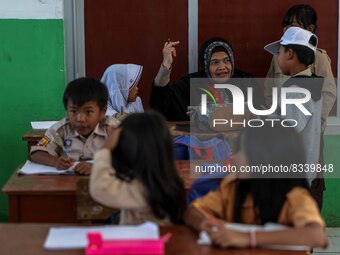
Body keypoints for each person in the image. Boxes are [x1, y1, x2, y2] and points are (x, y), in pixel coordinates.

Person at [184, 123, 327, 249]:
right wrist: (204, 223)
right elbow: (192, 211)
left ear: (266, 159)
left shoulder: (296, 197)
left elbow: (316, 236)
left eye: (243, 151)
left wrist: (247, 238)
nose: (235, 157)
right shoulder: (233, 187)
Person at [264, 4, 336, 211]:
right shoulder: (307, 83)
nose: (277, 57)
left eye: (280, 51)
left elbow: (284, 133)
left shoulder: (298, 90)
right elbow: (271, 90)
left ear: (290, 54)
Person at [90, 111, 186, 225]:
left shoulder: (143, 189)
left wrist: (106, 148)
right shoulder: (164, 180)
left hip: (146, 241)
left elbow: (100, 188)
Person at [150, 38, 265, 121]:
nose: (222, 67)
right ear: (205, 65)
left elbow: (260, 115)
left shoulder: (246, 82)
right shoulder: (190, 86)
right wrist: (166, 65)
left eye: (226, 61)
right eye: (214, 62)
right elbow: (160, 105)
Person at [30, 77, 120, 175]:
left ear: (102, 112)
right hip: (66, 184)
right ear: (67, 110)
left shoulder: (114, 128)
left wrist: (99, 166)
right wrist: (55, 161)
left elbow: (133, 157)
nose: (80, 118)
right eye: (73, 111)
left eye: (88, 112)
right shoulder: (60, 130)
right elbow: (36, 153)